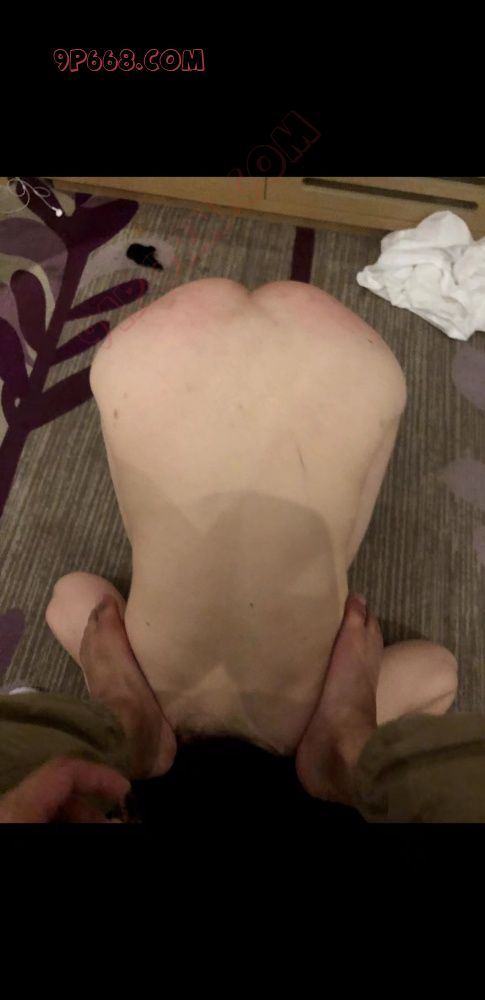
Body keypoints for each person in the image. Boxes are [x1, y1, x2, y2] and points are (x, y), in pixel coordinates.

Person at [44, 278, 458, 779]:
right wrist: (119, 688)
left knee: (337, 536)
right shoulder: (147, 698)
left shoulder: (310, 729)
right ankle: (127, 718)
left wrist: (353, 709)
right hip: (145, 361)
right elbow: (69, 596)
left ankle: (346, 738)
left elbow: (439, 672)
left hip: (353, 367)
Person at [1, 591, 484, 823]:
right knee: (438, 672)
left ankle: (127, 722)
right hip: (326, 793)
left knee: (71, 599)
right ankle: (346, 743)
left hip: (134, 781)